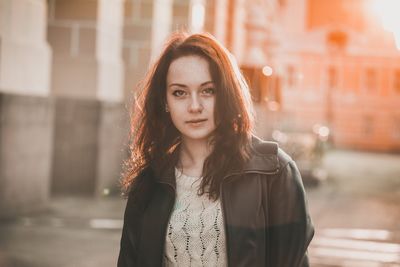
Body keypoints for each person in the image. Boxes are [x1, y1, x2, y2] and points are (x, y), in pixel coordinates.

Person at [118, 32, 314, 267]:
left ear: (226, 94)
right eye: (179, 93)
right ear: (165, 102)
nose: (194, 106)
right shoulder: (149, 181)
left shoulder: (274, 172)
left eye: (207, 90)